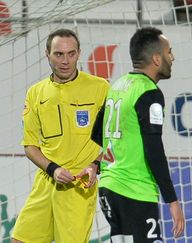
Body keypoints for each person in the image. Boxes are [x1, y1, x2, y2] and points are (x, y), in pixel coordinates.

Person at [11, 28, 109, 243]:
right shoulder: (36, 93)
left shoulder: (100, 88)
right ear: (47, 54)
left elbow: (116, 138)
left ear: (79, 53)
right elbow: (29, 146)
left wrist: (95, 165)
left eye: (71, 54)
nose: (65, 61)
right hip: (47, 181)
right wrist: (53, 169)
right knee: (19, 240)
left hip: (79, 185)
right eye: (58, 54)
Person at [93, 26, 185, 242]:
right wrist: (172, 201)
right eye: (168, 52)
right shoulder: (149, 93)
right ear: (156, 58)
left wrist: (99, 163)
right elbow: (154, 150)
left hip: (109, 188)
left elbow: (98, 134)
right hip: (134, 191)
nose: (171, 58)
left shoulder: (117, 86)